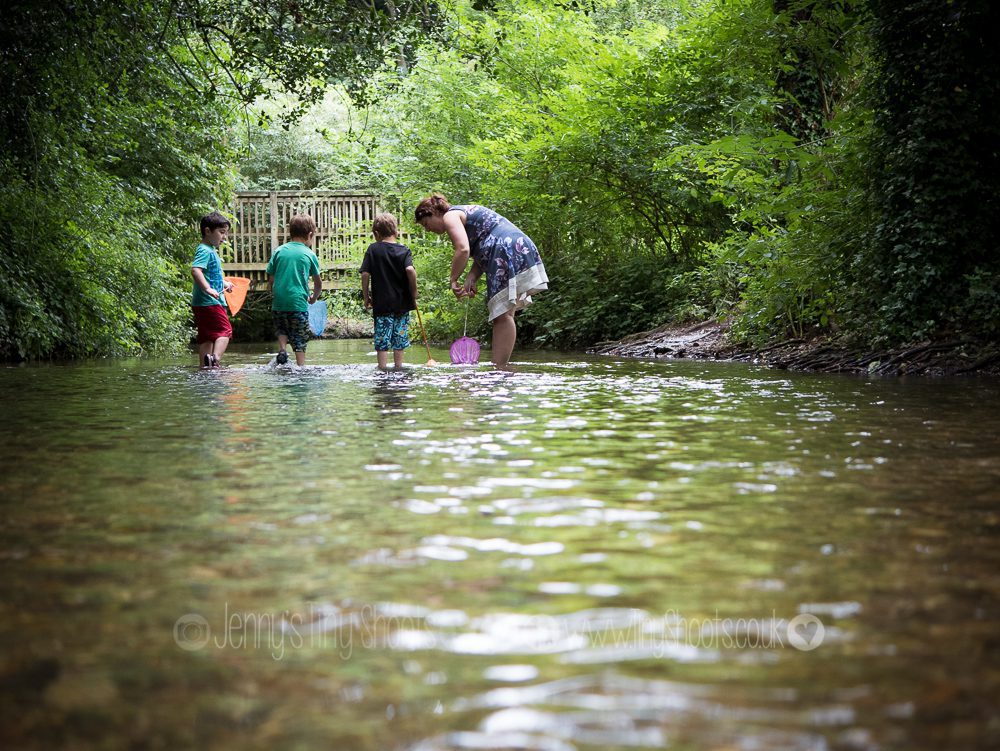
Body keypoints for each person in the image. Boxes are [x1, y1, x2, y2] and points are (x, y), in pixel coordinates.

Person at [414, 194, 548, 368]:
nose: (428, 230)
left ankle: (499, 368)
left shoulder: (450, 216)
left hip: (504, 249)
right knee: (506, 313)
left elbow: (463, 249)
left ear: (433, 213)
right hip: (515, 245)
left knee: (502, 315)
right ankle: (501, 367)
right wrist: (472, 276)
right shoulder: (462, 213)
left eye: (426, 224)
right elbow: (483, 242)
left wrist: (453, 279)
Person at [360, 212, 418, 371]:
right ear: (396, 232)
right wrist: (414, 293)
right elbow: (410, 270)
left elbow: (365, 274)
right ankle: (399, 367)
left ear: (376, 234)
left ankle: (382, 368)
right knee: (399, 339)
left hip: (382, 304)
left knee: (382, 339)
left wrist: (366, 297)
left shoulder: (373, 249)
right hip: (402, 303)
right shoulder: (404, 250)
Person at [266, 214, 322, 367]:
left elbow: (271, 279)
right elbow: (318, 284)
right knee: (299, 338)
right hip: (298, 303)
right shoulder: (309, 254)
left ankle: (283, 349)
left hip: (279, 303)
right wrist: (313, 298)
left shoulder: (279, 251)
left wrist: (274, 292)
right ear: (310, 235)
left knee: (282, 329)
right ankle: (300, 366)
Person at [191, 211, 235, 368]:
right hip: (209, 301)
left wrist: (224, 283)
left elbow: (211, 275)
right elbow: (196, 270)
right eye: (221, 232)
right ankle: (214, 360)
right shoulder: (205, 250)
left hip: (202, 302)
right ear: (208, 231)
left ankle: (205, 368)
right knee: (225, 331)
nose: (224, 237)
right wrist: (208, 289)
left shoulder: (210, 250)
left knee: (207, 337)